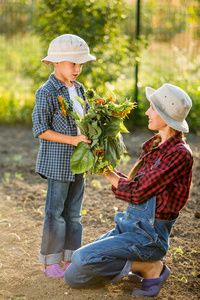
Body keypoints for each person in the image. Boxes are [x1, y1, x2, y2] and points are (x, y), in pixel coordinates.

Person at [64, 83, 193, 297]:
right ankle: (134, 265)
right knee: (74, 276)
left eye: (152, 108)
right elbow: (138, 186)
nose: (147, 112)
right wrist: (106, 167)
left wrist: (107, 174)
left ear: (165, 115)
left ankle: (149, 267)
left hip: (149, 235)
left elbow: (138, 192)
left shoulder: (179, 154)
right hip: (130, 227)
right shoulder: (155, 146)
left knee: (81, 259)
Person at [32, 34, 96, 278]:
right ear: (56, 63)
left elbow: (86, 123)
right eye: (73, 64)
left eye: (81, 64)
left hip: (79, 162)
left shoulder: (79, 89)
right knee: (55, 213)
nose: (78, 69)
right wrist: (73, 140)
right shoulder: (46, 92)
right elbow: (40, 129)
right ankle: (50, 261)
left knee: (74, 213)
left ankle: (71, 257)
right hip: (58, 163)